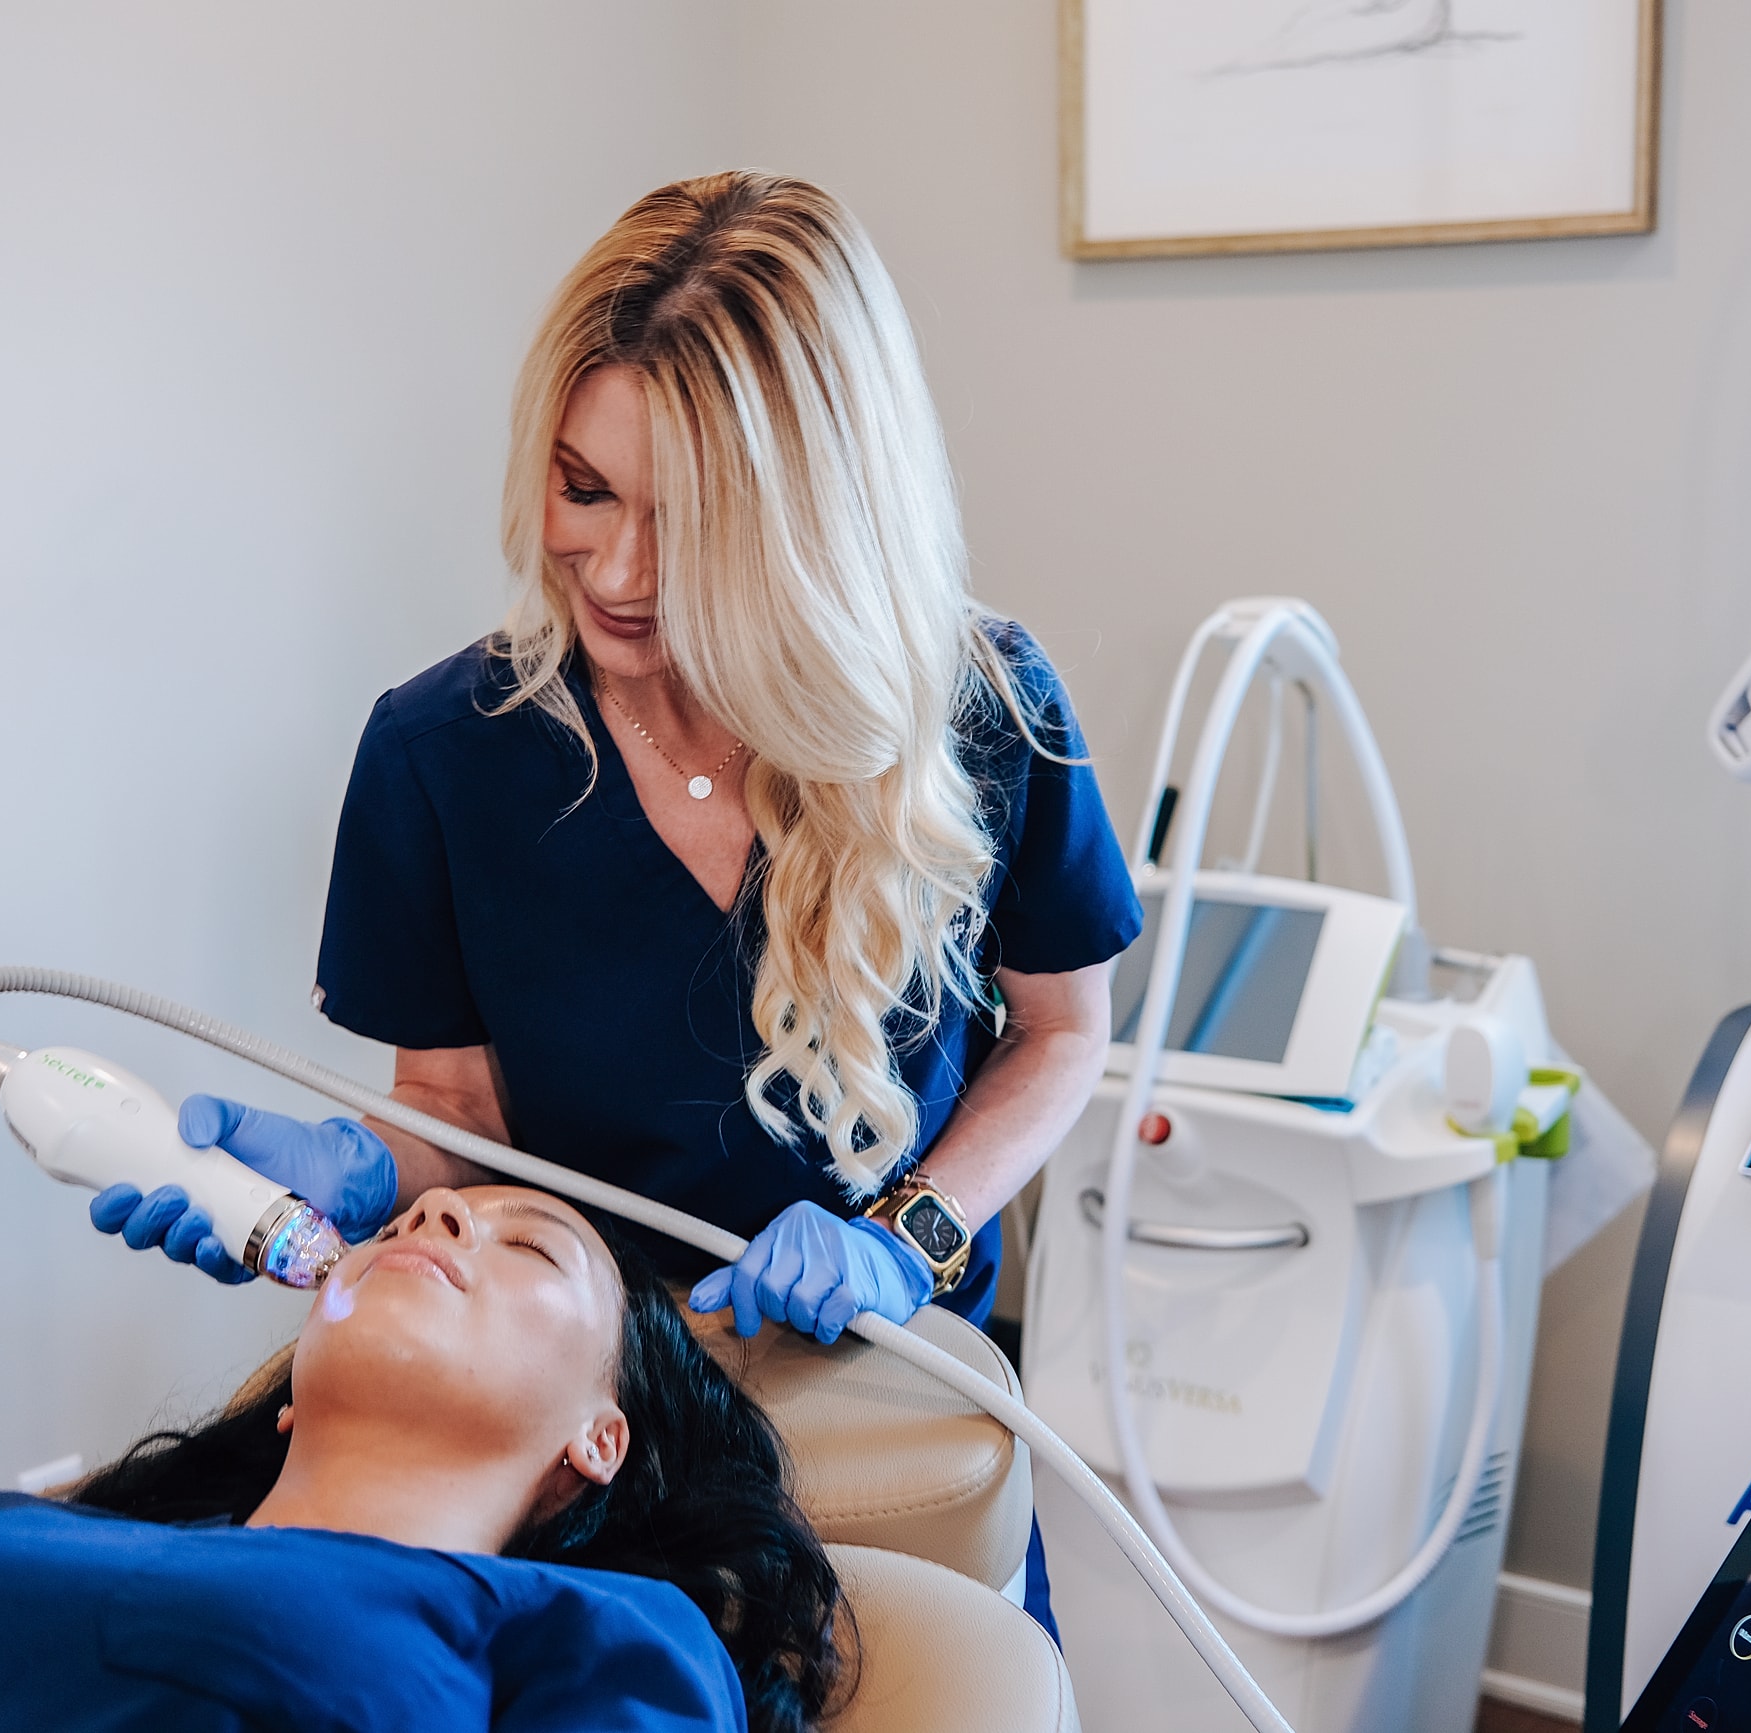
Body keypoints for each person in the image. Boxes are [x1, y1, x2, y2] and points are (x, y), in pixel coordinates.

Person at [92, 169, 1144, 1633]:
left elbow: (1061, 1036)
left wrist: (906, 1238)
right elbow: (454, 1113)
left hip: (885, 1372)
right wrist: (344, 1164)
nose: (624, 574)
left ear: (819, 520)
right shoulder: (441, 751)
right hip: (593, 1424)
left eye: (696, 524)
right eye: (585, 489)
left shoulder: (981, 711)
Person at [0, 1185, 842, 1733]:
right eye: (403, 1221)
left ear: (600, 1437)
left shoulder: (606, 1628)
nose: (432, 1218)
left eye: (526, 1243)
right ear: (287, 1405)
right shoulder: (52, 1528)